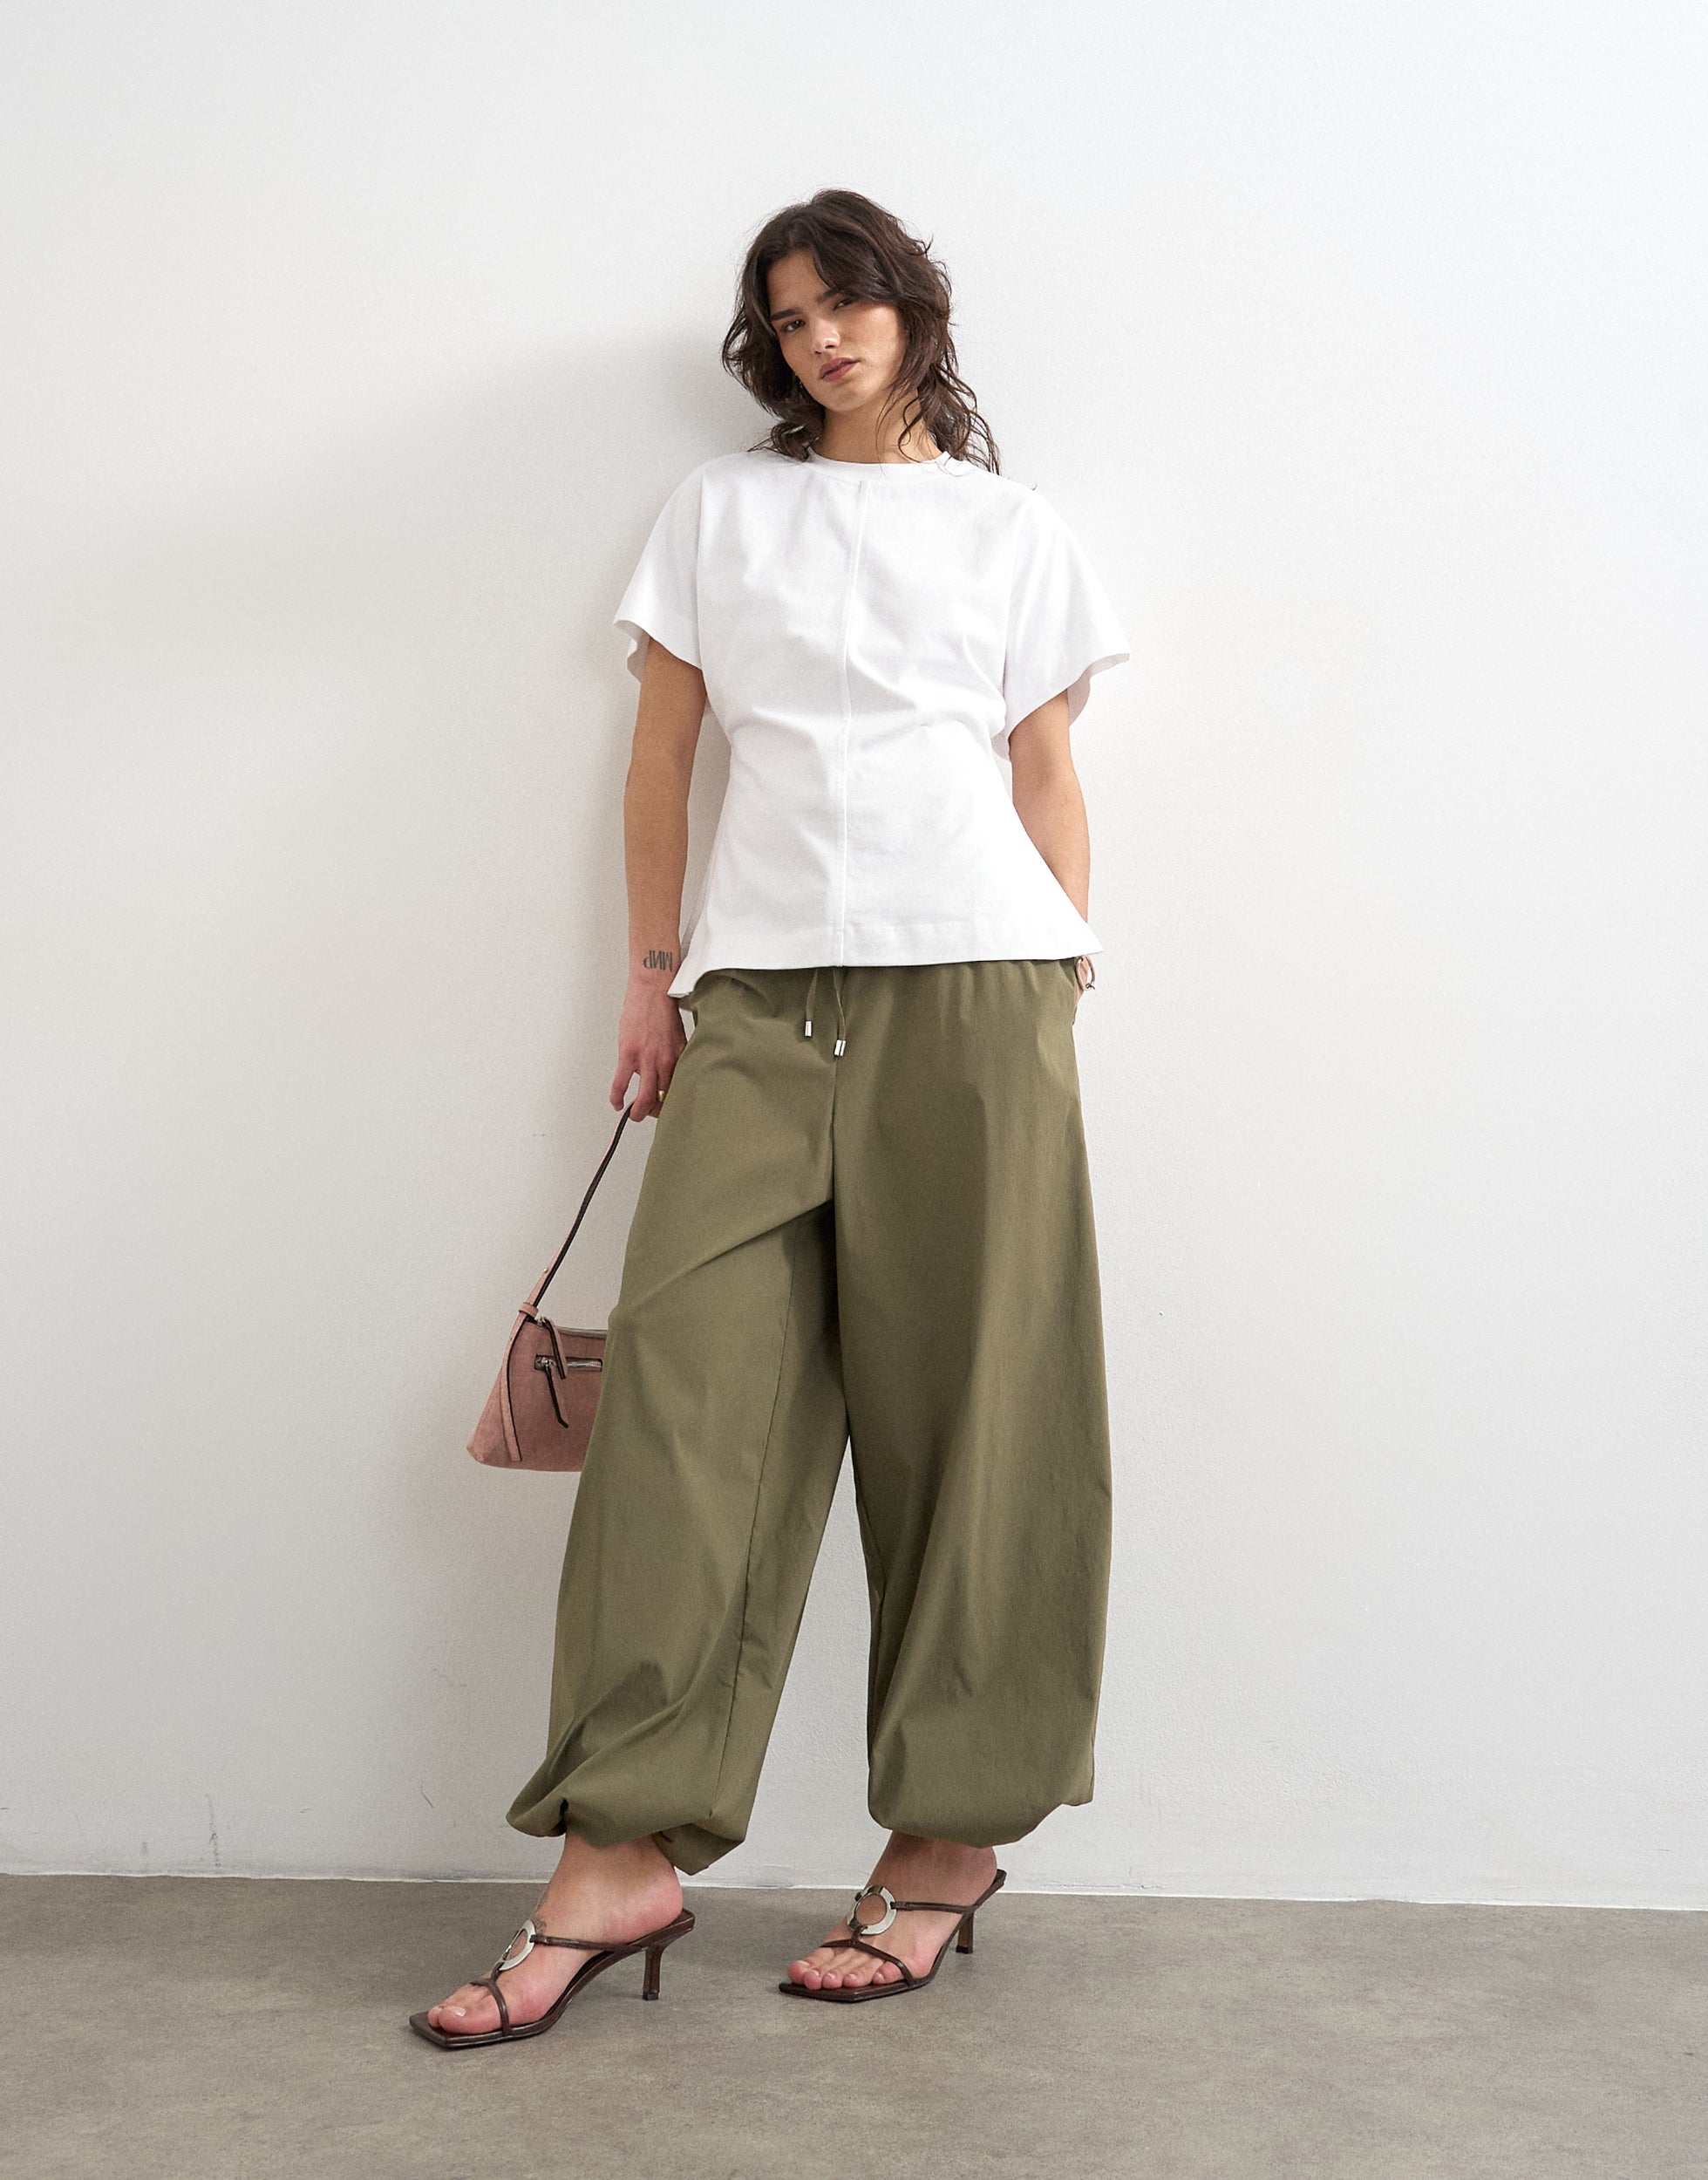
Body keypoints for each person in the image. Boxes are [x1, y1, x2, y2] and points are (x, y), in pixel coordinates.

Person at [412, 187, 1129, 2046]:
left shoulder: (1012, 529)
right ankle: (617, 1850)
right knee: (681, 1405)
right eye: (792, 317)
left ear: (912, 310)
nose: (824, 338)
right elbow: (663, 751)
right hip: (756, 996)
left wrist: (1061, 970)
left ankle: (948, 1836)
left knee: (981, 1409)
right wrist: (651, 975)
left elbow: (1045, 766)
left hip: (976, 986)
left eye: (849, 303)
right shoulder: (719, 513)